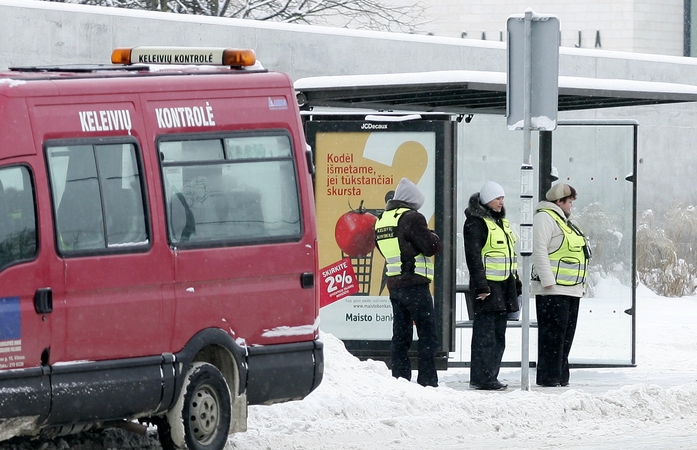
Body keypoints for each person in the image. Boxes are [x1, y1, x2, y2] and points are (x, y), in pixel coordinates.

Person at [374, 177, 442, 387]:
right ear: (412, 202)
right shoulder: (412, 218)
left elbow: (382, 248)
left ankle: (400, 379)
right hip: (415, 284)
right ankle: (428, 381)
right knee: (427, 333)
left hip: (395, 286)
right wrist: (432, 234)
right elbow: (431, 247)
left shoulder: (383, 220)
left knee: (401, 335)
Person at [531, 183, 590, 387]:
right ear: (559, 201)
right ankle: (549, 378)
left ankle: (560, 375)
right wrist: (548, 282)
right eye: (570, 202)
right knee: (552, 337)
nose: (571, 206)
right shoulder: (544, 218)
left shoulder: (566, 222)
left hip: (571, 288)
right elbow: (539, 251)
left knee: (565, 336)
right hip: (553, 290)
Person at [463, 181, 521, 390]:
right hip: (487, 290)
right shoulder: (476, 223)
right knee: (485, 336)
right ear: (487, 200)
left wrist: (516, 282)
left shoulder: (500, 223)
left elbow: (508, 256)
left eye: (503, 198)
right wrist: (481, 286)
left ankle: (490, 375)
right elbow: (474, 257)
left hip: (503, 288)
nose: (501, 202)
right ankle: (482, 377)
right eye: (498, 198)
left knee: (498, 336)